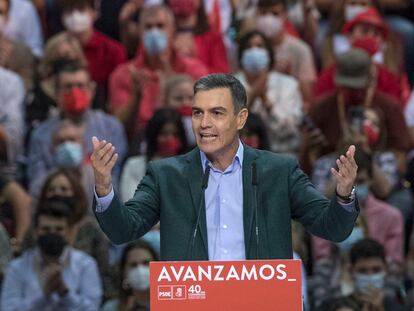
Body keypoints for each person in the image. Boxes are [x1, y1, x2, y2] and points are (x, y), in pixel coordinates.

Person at [92, 73, 359, 261]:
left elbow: (331, 228)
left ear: (241, 118)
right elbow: (123, 230)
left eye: (216, 113)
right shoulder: (166, 176)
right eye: (198, 113)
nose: (204, 123)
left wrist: (344, 195)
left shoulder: (279, 172)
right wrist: (104, 189)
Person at [109, 4, 209, 137]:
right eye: (148, 27)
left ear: (173, 30)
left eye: (160, 26)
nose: (154, 32)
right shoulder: (124, 74)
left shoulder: (195, 70)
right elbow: (119, 126)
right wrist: (136, 97)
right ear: (139, 31)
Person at [27, 60, 127, 190]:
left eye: (80, 86)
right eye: (68, 86)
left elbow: (116, 179)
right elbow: (36, 185)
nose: (75, 92)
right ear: (56, 93)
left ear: (92, 90)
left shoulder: (111, 128)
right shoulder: (40, 135)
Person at [0, 199, 102, 310]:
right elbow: (8, 308)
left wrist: (64, 292)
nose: (52, 233)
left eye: (59, 229)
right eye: (46, 229)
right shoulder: (17, 268)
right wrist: (44, 296)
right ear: (35, 232)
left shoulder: (86, 265)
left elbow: (93, 308)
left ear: (69, 232)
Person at [234, 30, 303, 154]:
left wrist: (265, 100)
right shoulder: (229, 85)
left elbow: (290, 129)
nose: (254, 51)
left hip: (281, 154)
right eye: (249, 47)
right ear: (241, 55)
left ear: (269, 53)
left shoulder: (289, 85)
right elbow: (229, 127)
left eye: (260, 46)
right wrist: (253, 95)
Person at [59, 0, 128, 109]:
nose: (75, 16)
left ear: (94, 13)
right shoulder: (57, 51)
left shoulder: (113, 50)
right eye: (69, 11)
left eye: (81, 9)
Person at [317, 238, 409, 311]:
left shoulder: (399, 307)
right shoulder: (329, 306)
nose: (370, 276)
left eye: (376, 270)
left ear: (386, 269)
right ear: (351, 271)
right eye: (363, 270)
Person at [120, 108, 188, 201]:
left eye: (175, 134)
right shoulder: (134, 165)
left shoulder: (191, 168)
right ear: (153, 136)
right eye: (164, 134)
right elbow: (131, 203)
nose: (170, 139)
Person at [102, 240, 158, 311]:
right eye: (133, 265)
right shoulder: (111, 308)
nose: (140, 270)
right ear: (124, 271)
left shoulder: (170, 304)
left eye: (146, 263)